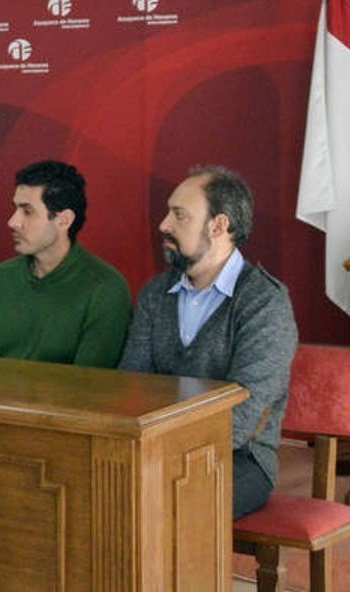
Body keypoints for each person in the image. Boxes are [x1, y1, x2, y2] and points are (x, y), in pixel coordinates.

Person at [118, 166, 296, 519]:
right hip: (153, 449)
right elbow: (131, 384)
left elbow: (244, 415)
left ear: (219, 226)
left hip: (240, 459)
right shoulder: (155, 293)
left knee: (166, 506)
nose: (164, 224)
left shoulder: (265, 302)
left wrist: (168, 459)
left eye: (179, 215)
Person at [0, 160, 130, 367]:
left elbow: (90, 381)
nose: (12, 222)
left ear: (64, 220)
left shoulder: (106, 288)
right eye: (15, 209)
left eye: (27, 211)